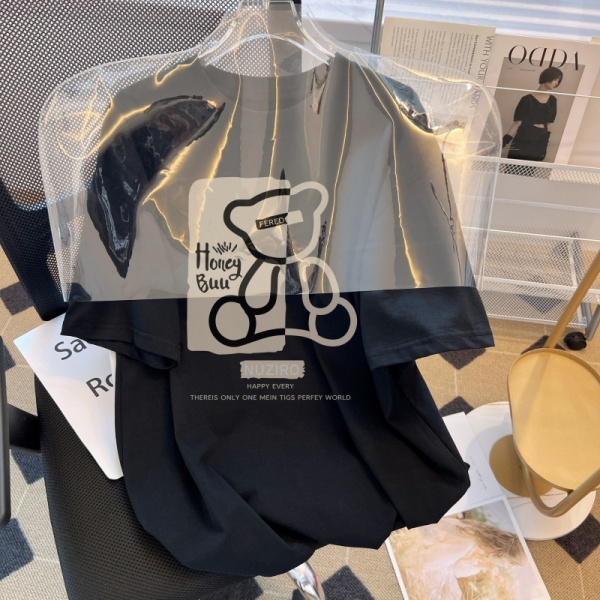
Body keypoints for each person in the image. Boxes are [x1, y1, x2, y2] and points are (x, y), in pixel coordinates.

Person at [391, 515, 526, 599]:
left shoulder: (485, 557)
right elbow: (433, 561)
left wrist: (491, 569)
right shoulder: (468, 543)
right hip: (430, 564)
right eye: (509, 563)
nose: (505, 566)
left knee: (454, 595)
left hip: (440, 569)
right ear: (502, 553)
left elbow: (460, 568)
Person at [502, 66, 563, 162]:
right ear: (548, 77)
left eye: (558, 81)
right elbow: (517, 123)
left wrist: (544, 145)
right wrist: (503, 142)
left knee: (529, 170)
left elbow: (549, 124)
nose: (557, 83)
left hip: (539, 141)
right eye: (555, 79)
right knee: (513, 167)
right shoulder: (526, 99)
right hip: (522, 139)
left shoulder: (552, 101)